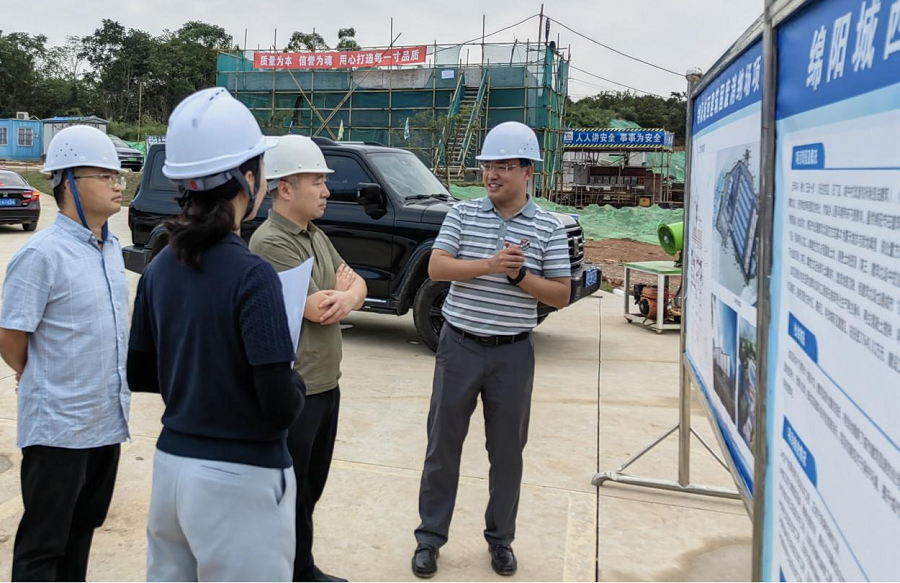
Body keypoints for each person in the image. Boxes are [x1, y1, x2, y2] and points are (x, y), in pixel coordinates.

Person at [126, 87, 305, 582]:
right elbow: (279, 405)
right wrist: (297, 383)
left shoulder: (160, 267)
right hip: (241, 479)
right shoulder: (253, 275)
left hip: (172, 469)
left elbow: (140, 373)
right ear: (248, 179)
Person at [411, 122, 572, 578]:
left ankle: (500, 540)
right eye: (488, 166)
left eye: (504, 166)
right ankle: (429, 538)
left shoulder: (548, 226)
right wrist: (490, 264)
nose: (492, 174)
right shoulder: (463, 214)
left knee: (506, 454)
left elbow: (560, 294)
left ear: (528, 171)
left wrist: (520, 277)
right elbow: (437, 268)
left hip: (512, 354)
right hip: (459, 346)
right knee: (442, 447)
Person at [0, 125, 131, 581]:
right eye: (106, 176)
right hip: (58, 429)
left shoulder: (109, 248)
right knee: (43, 547)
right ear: (69, 182)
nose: (118, 184)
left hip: (105, 422)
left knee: (81, 532)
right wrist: (38, 374)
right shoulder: (42, 255)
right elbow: (11, 335)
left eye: (118, 176)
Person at [250, 135, 367, 582]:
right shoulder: (270, 243)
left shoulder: (314, 235)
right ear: (285, 188)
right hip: (298, 389)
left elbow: (357, 286)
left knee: (310, 487)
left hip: (326, 384)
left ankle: (300, 567)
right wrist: (342, 295)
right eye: (317, 181)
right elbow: (317, 309)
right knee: (290, 493)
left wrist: (347, 295)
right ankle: (290, 571)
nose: (326, 191)